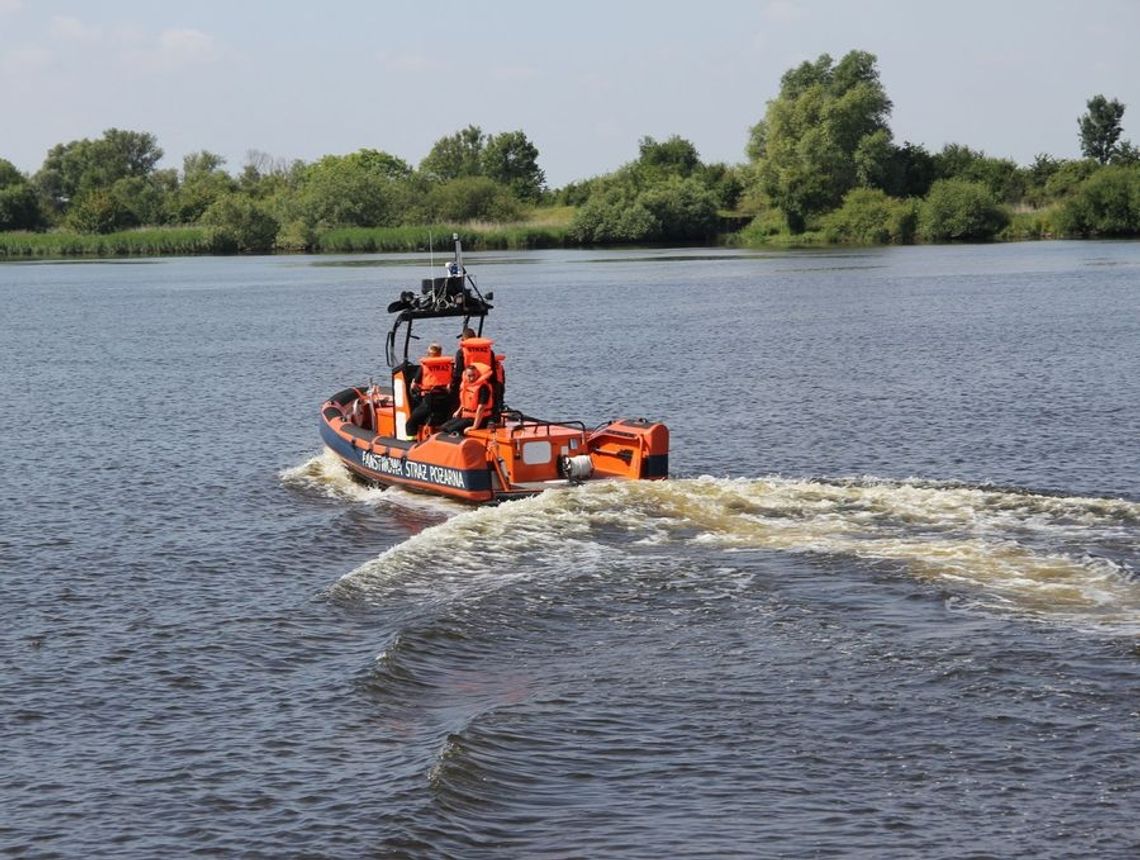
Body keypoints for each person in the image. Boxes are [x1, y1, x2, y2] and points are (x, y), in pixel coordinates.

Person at [405, 342, 452, 438]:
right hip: (445, 400)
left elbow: (414, 385)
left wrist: (414, 388)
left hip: (429, 401)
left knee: (410, 423)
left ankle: (410, 443)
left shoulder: (425, 366)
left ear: (429, 355)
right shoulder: (448, 366)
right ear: (440, 354)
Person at [441, 363, 492, 434]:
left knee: (451, 429)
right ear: (465, 375)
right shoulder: (466, 384)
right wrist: (458, 411)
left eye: (474, 375)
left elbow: (481, 408)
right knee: (443, 427)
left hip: (478, 419)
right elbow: (465, 401)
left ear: (477, 374)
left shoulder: (483, 388)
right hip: (466, 416)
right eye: (469, 376)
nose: (472, 378)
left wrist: (474, 426)